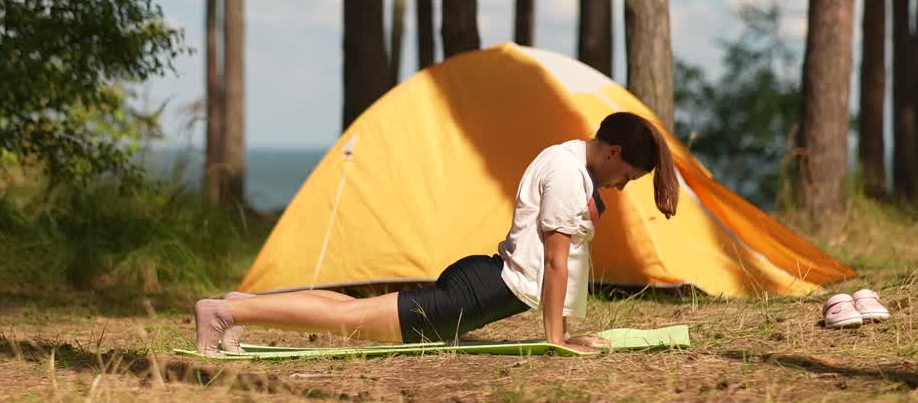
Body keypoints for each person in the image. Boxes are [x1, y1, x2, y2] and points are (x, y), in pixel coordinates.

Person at [194, 111, 679, 356]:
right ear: (614, 153)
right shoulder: (571, 176)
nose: (622, 186)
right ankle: (221, 313)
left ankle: (240, 307)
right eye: (629, 176)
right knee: (350, 321)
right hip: (476, 294)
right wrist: (557, 340)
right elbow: (554, 262)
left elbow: (557, 264)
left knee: (351, 310)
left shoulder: (568, 159)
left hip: (481, 283)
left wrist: (565, 332)